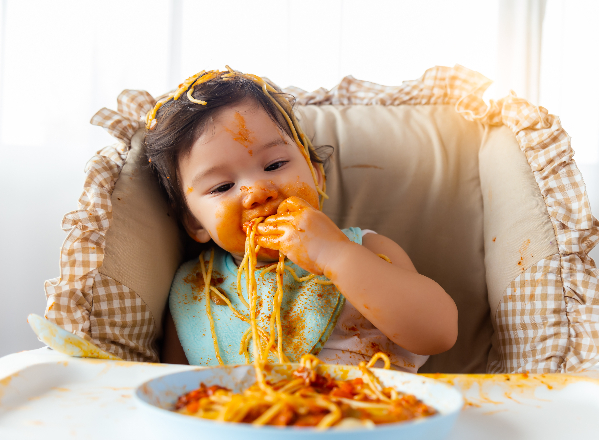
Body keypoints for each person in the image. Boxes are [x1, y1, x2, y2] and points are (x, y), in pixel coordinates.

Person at [147, 68, 457, 372]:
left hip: (367, 414)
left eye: (275, 164)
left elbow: (439, 333)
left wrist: (333, 254)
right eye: (223, 187)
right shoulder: (194, 289)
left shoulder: (366, 249)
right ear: (195, 223)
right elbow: (174, 387)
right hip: (247, 420)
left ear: (316, 176)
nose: (256, 192)